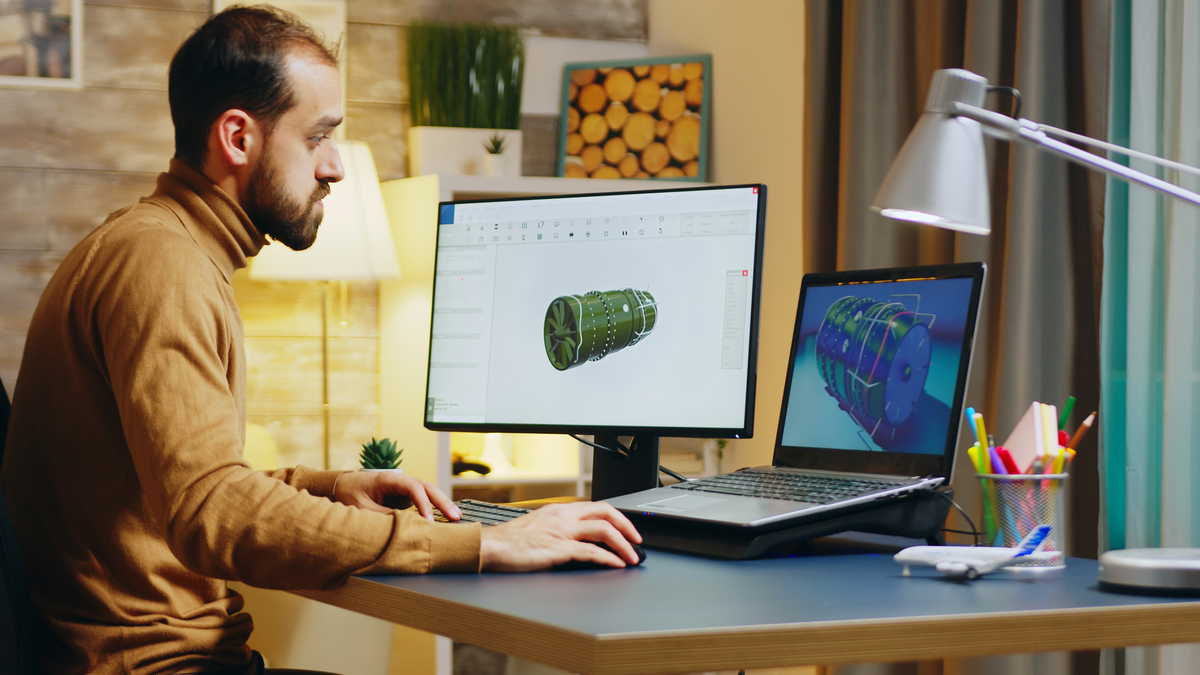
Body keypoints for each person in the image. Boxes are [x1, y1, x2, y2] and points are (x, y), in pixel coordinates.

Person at [0, 6, 641, 675]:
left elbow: (172, 483)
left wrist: (327, 487)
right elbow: (210, 512)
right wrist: (481, 543)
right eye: (318, 137)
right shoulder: (164, 266)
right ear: (239, 137)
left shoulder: (151, 245)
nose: (334, 166)